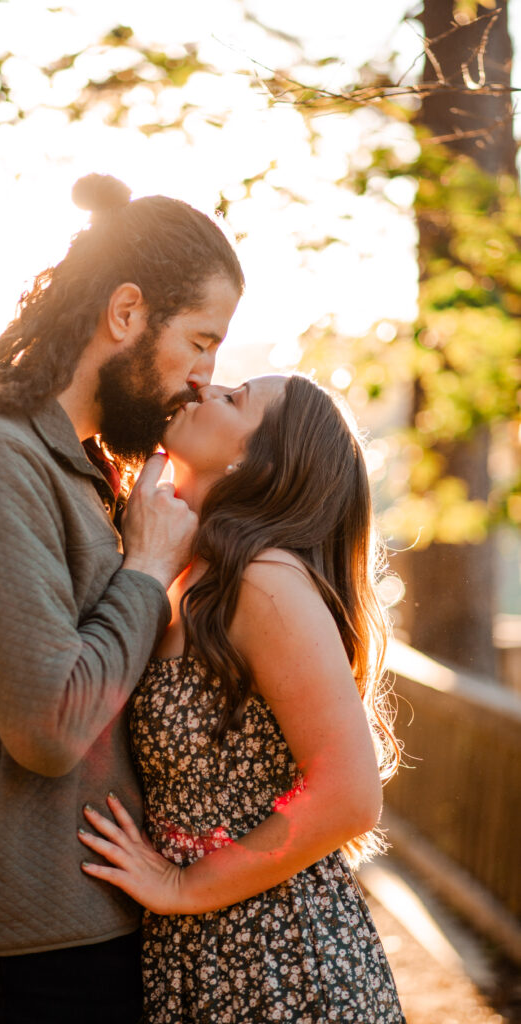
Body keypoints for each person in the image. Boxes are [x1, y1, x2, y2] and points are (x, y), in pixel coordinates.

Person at [0, 173, 243, 1023]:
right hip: (11, 963)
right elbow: (49, 726)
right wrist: (144, 569)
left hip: (75, 933)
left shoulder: (77, 469)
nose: (202, 377)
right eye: (200, 340)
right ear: (126, 313)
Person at [77, 374, 406, 1023]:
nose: (206, 384)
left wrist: (183, 885)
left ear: (256, 462)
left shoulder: (262, 581)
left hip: (277, 958)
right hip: (195, 953)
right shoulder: (175, 569)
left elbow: (349, 794)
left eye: (233, 400)